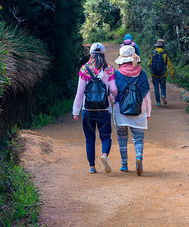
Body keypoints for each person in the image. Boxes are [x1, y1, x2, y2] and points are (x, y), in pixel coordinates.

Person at [72, 43, 117, 174]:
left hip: (88, 109)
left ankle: (92, 166)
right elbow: (113, 89)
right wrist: (112, 98)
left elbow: (80, 92)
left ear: (90, 54)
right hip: (104, 109)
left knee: (89, 139)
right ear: (103, 54)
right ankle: (104, 155)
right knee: (106, 137)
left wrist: (76, 111)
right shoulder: (109, 69)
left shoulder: (84, 69)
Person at [113, 45, 151, 176]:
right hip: (139, 110)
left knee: (122, 137)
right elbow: (147, 96)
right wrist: (148, 112)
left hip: (120, 111)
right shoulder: (142, 74)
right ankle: (139, 157)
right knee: (138, 137)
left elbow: (113, 92)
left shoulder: (117, 74)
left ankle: (124, 165)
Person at [147, 39, 175, 107]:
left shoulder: (154, 53)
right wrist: (172, 74)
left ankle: (158, 102)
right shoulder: (165, 54)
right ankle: (163, 95)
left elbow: (149, 63)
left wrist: (151, 68)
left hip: (154, 74)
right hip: (163, 74)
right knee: (163, 86)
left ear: (157, 46)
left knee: (156, 87)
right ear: (163, 46)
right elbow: (169, 64)